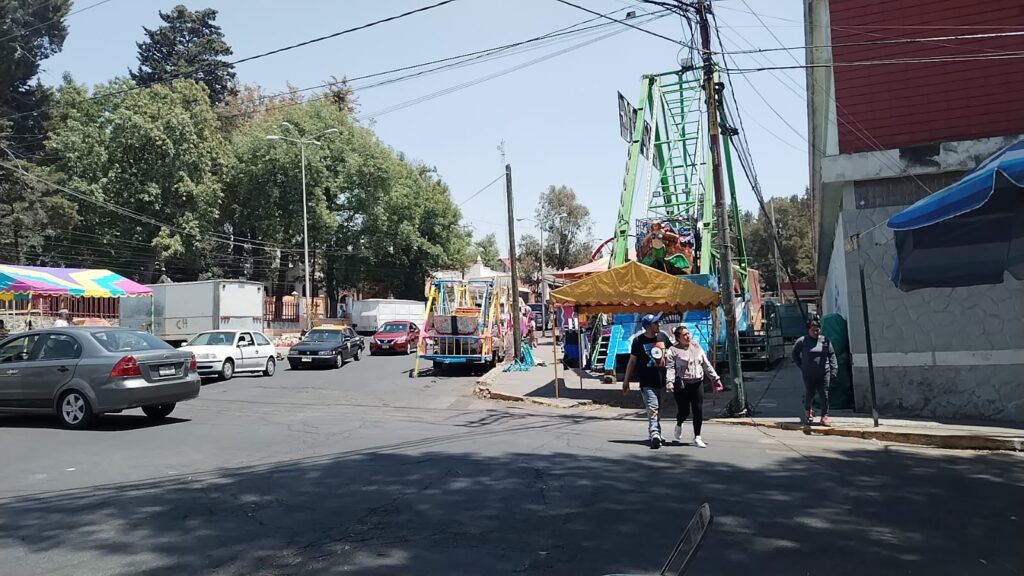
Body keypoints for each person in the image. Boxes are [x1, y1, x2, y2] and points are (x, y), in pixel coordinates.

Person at [665, 325, 722, 448]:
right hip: (682, 384)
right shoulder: (672, 350)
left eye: (688, 333)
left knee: (698, 410)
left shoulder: (696, 345)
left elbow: (706, 363)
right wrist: (669, 382)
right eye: (684, 335)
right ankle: (679, 423)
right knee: (684, 411)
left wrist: (715, 378)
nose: (688, 336)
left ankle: (697, 437)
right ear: (678, 338)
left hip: (697, 382)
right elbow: (670, 368)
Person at [622, 313, 672, 449]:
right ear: (648, 326)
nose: (659, 325)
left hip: (662, 381)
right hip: (647, 382)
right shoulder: (638, 341)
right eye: (656, 323)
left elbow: (673, 352)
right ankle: (654, 434)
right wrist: (626, 381)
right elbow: (632, 361)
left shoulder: (663, 337)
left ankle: (657, 432)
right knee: (652, 408)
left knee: (659, 409)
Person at [791, 319, 838, 426]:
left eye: (817, 330)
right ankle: (808, 411)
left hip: (824, 372)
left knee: (824, 394)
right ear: (808, 331)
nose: (816, 333)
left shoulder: (825, 341)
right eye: (813, 330)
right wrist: (801, 365)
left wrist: (834, 369)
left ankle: (824, 416)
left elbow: (832, 355)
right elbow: (794, 354)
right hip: (809, 373)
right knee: (810, 393)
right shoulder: (802, 341)